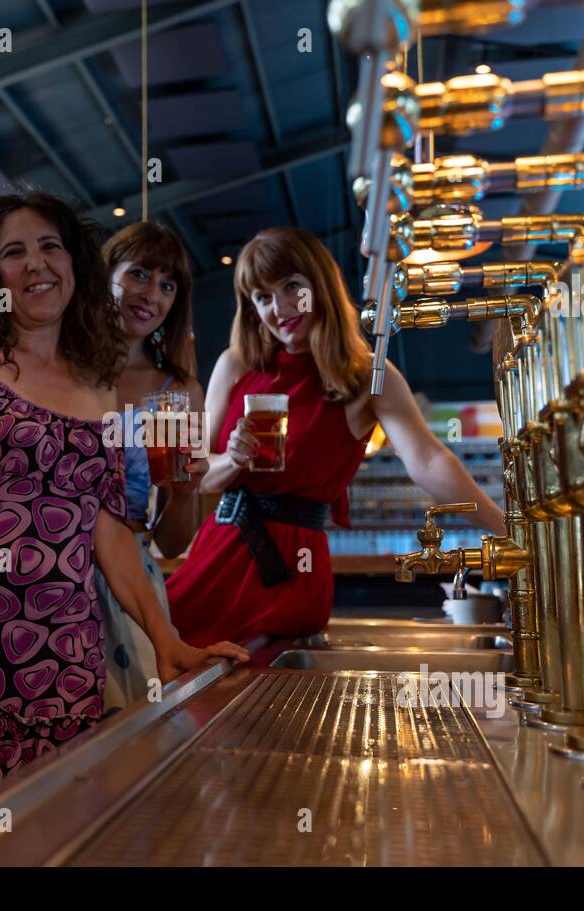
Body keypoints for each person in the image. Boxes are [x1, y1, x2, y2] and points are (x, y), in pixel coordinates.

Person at [0, 189, 249, 831]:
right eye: (13, 252)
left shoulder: (97, 380)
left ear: (75, 262)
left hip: (63, 650)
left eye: (49, 246)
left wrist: (166, 640)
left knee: (56, 834)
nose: (36, 264)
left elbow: (107, 528)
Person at [166, 226, 506, 647]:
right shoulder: (236, 363)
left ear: (320, 284)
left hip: (295, 570)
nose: (280, 307)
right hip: (217, 556)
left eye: (291, 286)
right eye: (263, 297)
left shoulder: (367, 376)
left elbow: (430, 462)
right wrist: (233, 460)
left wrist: (508, 531)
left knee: (268, 697)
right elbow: (198, 474)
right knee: (179, 686)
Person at [95, 222, 205, 709]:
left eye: (167, 284)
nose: (152, 295)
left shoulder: (175, 393)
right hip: (48, 565)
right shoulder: (63, 369)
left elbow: (172, 542)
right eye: (138, 274)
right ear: (106, 276)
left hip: (132, 581)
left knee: (131, 737)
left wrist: (185, 492)